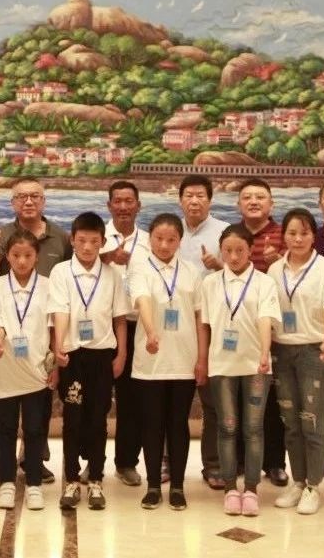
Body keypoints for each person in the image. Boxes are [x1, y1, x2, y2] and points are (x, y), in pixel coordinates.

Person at [0, 177, 69, 486]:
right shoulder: (2, 235)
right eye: (22, 196)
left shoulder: (61, 237)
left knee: (37, 415)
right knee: (3, 416)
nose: (29, 201)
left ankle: (35, 463)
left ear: (44, 201)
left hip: (39, 341)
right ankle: (1, 464)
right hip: (8, 346)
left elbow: (67, 278)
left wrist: (55, 357)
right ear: (13, 202)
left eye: (35, 196)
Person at [51, 212, 132, 511]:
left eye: (94, 241)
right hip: (72, 356)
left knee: (99, 419)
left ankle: (96, 478)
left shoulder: (112, 275)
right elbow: (59, 312)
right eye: (82, 240)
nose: (87, 247)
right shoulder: (61, 272)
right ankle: (72, 479)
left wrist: (121, 354)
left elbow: (119, 318)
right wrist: (59, 348)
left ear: (102, 242)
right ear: (72, 240)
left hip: (102, 356)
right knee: (72, 419)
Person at [127, 213, 205, 510]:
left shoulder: (191, 271)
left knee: (178, 424)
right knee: (152, 424)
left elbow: (199, 316)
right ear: (150, 239)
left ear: (179, 241)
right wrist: (150, 332)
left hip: (184, 360)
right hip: (151, 361)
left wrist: (201, 358)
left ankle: (178, 487)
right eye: (159, 238)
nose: (164, 245)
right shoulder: (140, 268)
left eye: (171, 239)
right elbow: (143, 300)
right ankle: (152, 486)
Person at [267, 208, 324, 515]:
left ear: (314, 236)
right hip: (282, 351)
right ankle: (297, 481)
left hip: (314, 350)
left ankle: (313, 486)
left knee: (312, 421)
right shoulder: (275, 269)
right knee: (291, 423)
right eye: (292, 233)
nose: (298, 239)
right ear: (283, 236)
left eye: (304, 233)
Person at [200, 225, 276, 517]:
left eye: (240, 250)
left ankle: (252, 489)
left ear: (250, 250)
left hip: (256, 365)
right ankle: (231, 488)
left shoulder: (264, 282)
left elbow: (266, 319)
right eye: (228, 251)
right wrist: (203, 360)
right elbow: (205, 325)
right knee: (227, 426)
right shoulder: (210, 283)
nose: (233, 257)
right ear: (221, 251)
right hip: (222, 365)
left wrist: (265, 353)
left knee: (253, 428)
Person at [0, 232, 54, 512]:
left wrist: (54, 366)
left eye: (28, 255)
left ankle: (34, 483)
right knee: (5, 427)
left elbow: (53, 327)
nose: (22, 261)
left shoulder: (49, 286)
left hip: (37, 369)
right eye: (16, 255)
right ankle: (6, 481)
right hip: (6, 367)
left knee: (35, 428)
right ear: (7, 257)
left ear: (37, 256)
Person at [234, 178, 288, 486]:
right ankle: (241, 459)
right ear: (238, 204)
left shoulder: (284, 234)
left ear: (271, 203)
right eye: (247, 197)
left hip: (274, 331)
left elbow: (295, 277)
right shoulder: (233, 234)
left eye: (260, 197)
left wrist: (278, 263)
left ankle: (275, 462)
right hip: (239, 330)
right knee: (240, 397)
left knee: (272, 401)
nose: (253, 201)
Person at [175, 174, 226, 489]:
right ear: (180, 199)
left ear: (210, 200)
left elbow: (241, 275)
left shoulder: (224, 232)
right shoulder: (169, 230)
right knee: (171, 401)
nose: (194, 201)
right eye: (189, 196)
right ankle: (167, 461)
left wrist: (218, 265)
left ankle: (214, 464)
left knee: (213, 404)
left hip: (212, 325)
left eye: (200, 196)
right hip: (176, 327)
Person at [102, 180, 152, 488]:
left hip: (134, 326)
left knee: (131, 400)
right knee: (95, 400)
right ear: (109, 205)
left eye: (128, 201)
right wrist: (107, 257)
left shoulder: (149, 241)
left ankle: (126, 462)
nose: (123, 207)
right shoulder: (96, 238)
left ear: (138, 206)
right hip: (99, 326)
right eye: (117, 201)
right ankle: (90, 461)